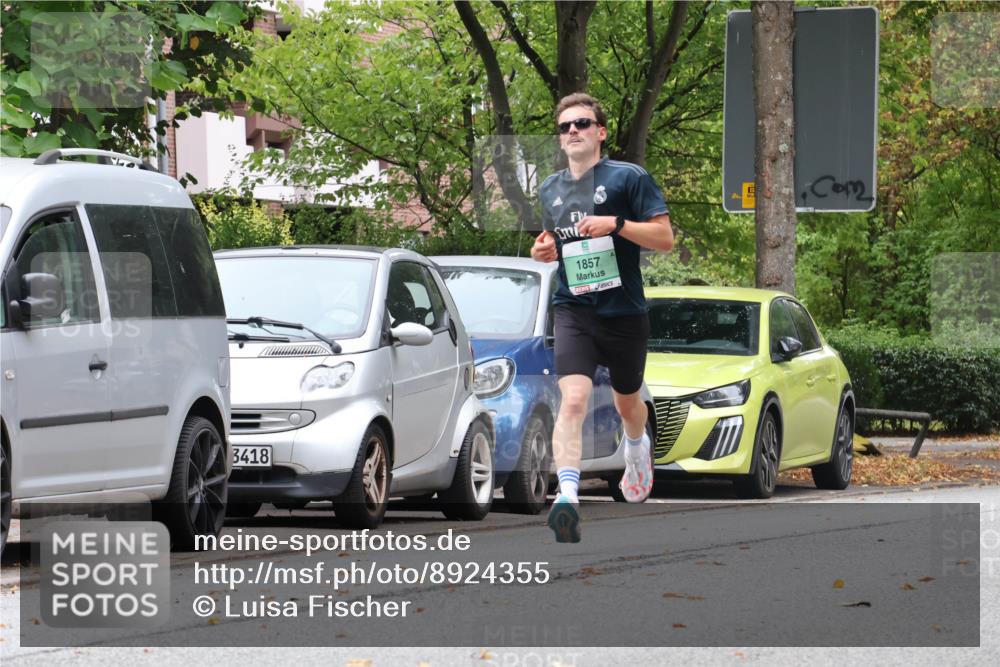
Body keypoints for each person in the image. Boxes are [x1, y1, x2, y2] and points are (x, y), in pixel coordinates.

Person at [531, 92, 674, 543]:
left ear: (601, 132)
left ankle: (636, 448)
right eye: (565, 126)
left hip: (624, 312)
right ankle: (568, 497)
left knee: (627, 403)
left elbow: (665, 238)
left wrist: (617, 225)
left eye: (582, 123)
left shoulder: (628, 178)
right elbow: (552, 243)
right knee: (572, 400)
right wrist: (543, 251)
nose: (573, 130)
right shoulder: (550, 189)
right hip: (574, 308)